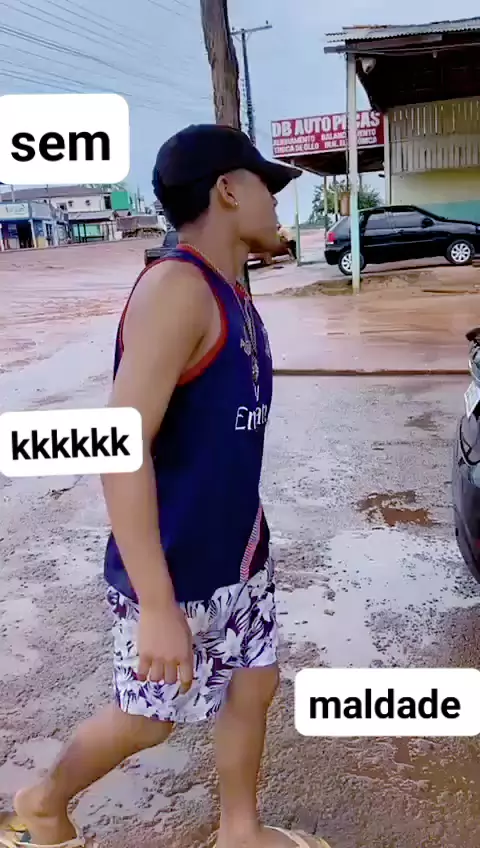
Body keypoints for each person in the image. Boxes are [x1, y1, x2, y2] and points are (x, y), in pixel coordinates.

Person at [3, 125, 330, 848]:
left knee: (254, 682)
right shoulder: (177, 290)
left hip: (239, 553)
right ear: (228, 190)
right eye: (267, 187)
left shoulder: (232, 291)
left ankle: (240, 832)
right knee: (149, 717)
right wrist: (156, 605)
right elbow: (120, 449)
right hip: (174, 567)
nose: (277, 203)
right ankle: (42, 803)